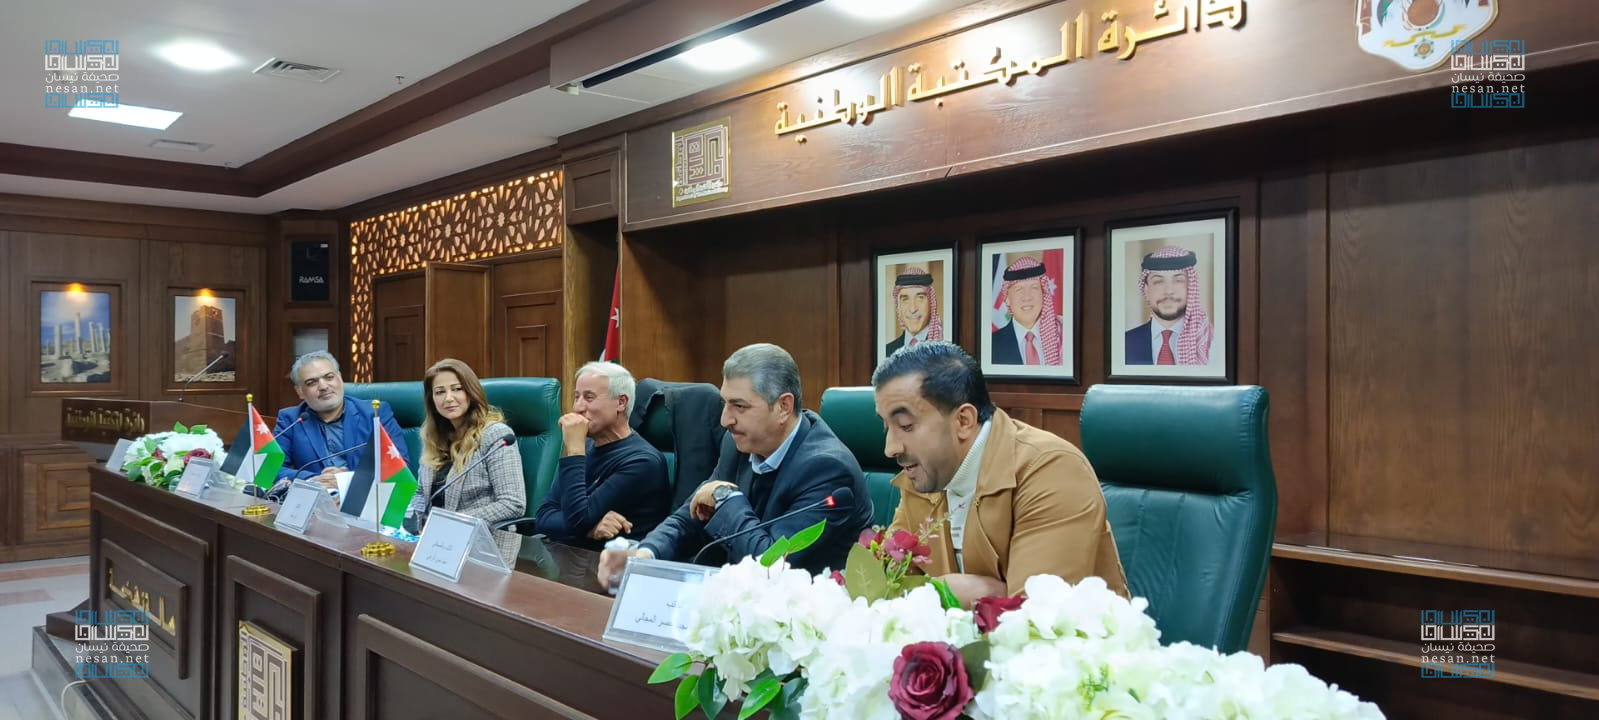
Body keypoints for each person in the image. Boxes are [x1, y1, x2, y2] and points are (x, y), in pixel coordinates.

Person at [872, 341, 1128, 606]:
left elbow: (1036, 614)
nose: (890, 448)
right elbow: (882, 589)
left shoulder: (1051, 468)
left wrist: (943, 595)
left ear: (963, 421)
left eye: (906, 425)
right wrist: (980, 593)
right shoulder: (926, 473)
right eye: (886, 427)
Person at [597, 343, 872, 587]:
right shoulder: (738, 443)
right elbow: (691, 515)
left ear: (784, 407)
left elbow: (769, 564)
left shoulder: (827, 470)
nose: (725, 420)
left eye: (739, 406)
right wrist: (644, 555)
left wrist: (725, 497)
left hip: (805, 616)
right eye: (724, 404)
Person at [533, 361, 671, 550]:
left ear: (621, 402)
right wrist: (588, 530)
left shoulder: (643, 462)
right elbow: (543, 516)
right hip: (573, 556)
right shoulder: (586, 446)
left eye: (589, 398)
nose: (578, 408)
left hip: (618, 562)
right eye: (576, 397)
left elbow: (576, 519)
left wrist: (574, 450)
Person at [404, 359, 526, 565]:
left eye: (457, 389)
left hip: (483, 550)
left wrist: (452, 523)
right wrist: (407, 520)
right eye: (439, 392)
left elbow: (513, 504)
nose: (448, 398)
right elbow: (422, 493)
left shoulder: (496, 435)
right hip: (436, 547)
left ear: (471, 392)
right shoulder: (433, 437)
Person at [272, 350, 407, 495]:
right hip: (316, 500)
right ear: (300, 392)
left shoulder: (375, 413)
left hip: (365, 499)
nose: (323, 386)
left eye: (329, 377)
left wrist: (344, 480)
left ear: (340, 379)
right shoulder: (291, 420)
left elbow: (400, 467)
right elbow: (271, 469)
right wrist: (313, 479)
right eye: (312, 382)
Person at [1124, 246, 1214, 365]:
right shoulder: (1124, 343)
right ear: (1146, 290)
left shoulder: (1212, 342)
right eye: (1158, 282)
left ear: (1191, 287)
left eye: (1178, 281)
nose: (1168, 291)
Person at [989, 256, 1065, 365]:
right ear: (1007, 299)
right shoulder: (991, 345)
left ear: (1043, 294)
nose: (1027, 297)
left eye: (1034, 288)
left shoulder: (1064, 336)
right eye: (1019, 289)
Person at [884, 267, 943, 356]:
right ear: (898, 306)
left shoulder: (946, 348)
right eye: (905, 299)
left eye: (920, 298)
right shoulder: (886, 351)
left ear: (931, 303)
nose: (912, 309)